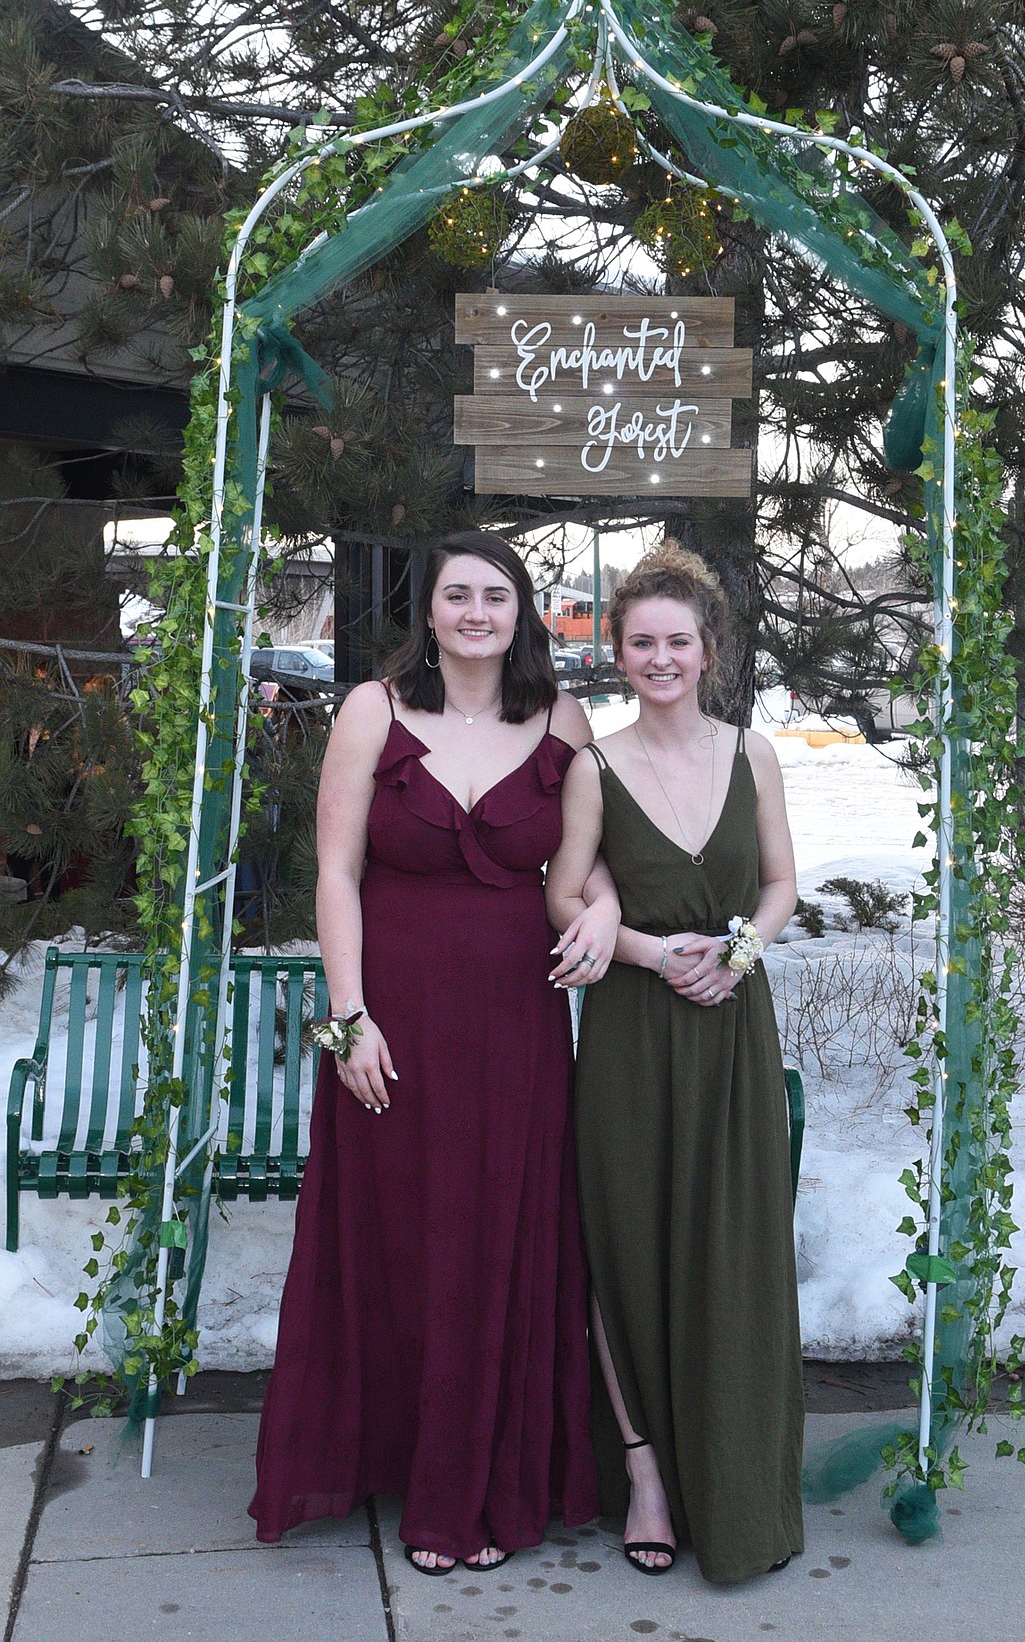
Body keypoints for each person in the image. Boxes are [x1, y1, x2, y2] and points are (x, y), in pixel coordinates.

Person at [250, 529, 617, 1572]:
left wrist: (611, 908)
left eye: (495, 597)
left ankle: (487, 1485)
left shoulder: (564, 717)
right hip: (392, 1025)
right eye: (457, 595)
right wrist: (346, 1018)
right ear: (430, 610)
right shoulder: (373, 708)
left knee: (501, 1241)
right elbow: (333, 874)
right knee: (406, 1241)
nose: (475, 613)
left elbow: (596, 858)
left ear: (522, 612)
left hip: (519, 1029)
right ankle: (407, 1463)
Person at [546, 542, 805, 1585]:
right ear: (620, 652)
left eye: (677, 642)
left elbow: (783, 881)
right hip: (631, 1037)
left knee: (732, 1251)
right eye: (641, 641)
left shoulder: (755, 755)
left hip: (733, 1030)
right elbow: (563, 896)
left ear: (709, 650)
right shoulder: (593, 766)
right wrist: (651, 951)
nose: (660, 657)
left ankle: (738, 1483)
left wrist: (739, 949)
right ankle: (646, 1472)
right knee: (631, 1245)